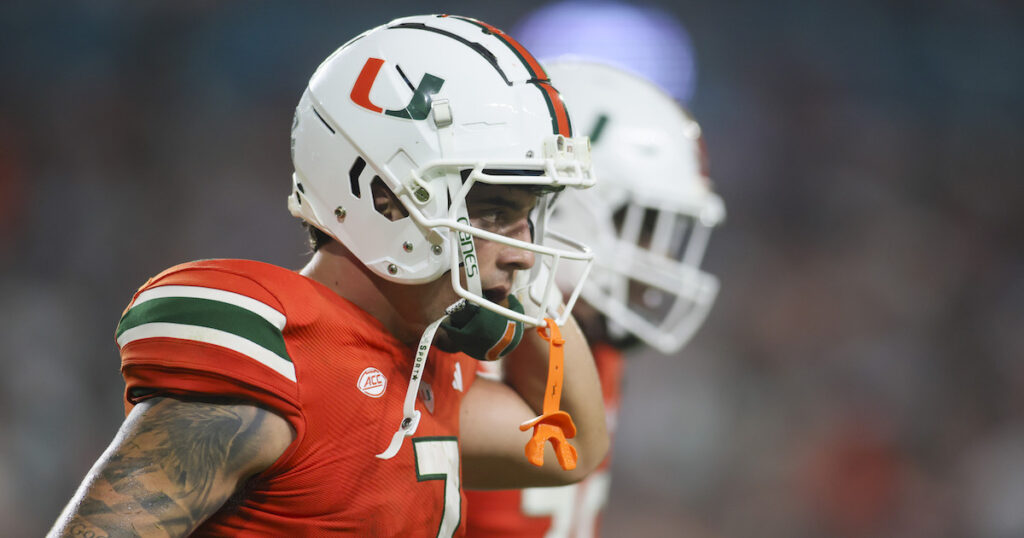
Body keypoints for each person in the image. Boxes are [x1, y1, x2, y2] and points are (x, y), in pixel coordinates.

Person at [48, 15, 609, 537]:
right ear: (385, 200)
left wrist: (528, 300)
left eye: (527, 217)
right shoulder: (281, 353)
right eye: (492, 210)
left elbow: (570, 447)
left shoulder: (427, 368)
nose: (525, 254)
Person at [464, 60, 726, 537]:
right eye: (643, 226)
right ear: (562, 207)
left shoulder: (591, 343)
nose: (660, 256)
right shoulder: (465, 342)